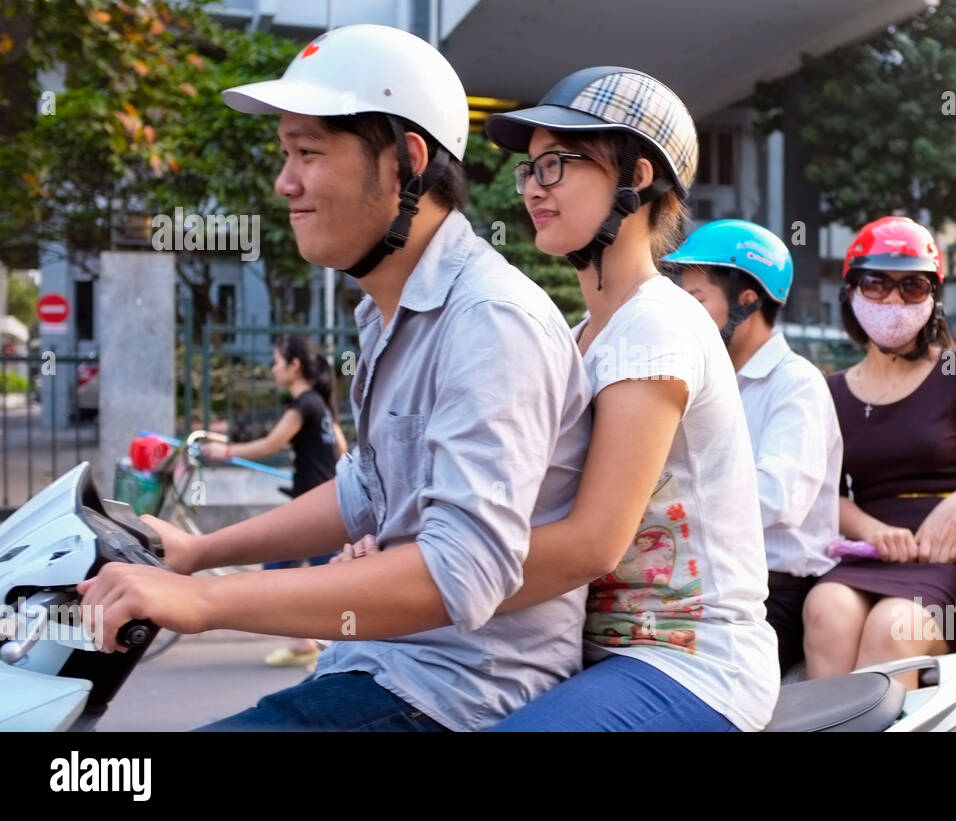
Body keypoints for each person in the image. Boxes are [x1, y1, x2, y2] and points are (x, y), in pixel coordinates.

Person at [76, 23, 593, 732]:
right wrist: (198, 552)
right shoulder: (389, 314)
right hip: (377, 666)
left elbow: (461, 572)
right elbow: (366, 488)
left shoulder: (490, 321)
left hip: (453, 695)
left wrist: (206, 600)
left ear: (406, 163)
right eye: (285, 153)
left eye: (308, 153)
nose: (284, 182)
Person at [425, 66, 779, 731]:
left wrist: (425, 584)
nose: (533, 186)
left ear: (637, 176)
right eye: (529, 170)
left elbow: (592, 544)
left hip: (690, 663)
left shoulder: (660, 324)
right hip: (577, 655)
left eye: (558, 163)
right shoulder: (572, 335)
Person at [803, 216, 956, 689]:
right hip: (868, 552)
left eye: (913, 286)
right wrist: (874, 530)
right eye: (876, 284)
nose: (894, 299)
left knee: (892, 626)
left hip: (943, 558)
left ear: (934, 297)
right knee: (826, 610)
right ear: (851, 293)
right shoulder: (832, 392)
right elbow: (826, 492)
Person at [666, 219, 842, 675]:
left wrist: (670, 504)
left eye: (697, 299)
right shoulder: (701, 376)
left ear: (747, 299)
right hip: (704, 577)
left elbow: (778, 499)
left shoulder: (795, 384)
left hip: (775, 592)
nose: (684, 314)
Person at [201, 335, 348, 669]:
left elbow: (269, 445)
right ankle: (305, 644)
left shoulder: (303, 406)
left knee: (298, 579)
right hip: (321, 505)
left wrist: (221, 452)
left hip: (314, 510)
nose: (272, 369)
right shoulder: (320, 405)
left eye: (276, 362)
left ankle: (338, 650)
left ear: (294, 366)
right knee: (291, 575)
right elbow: (343, 449)